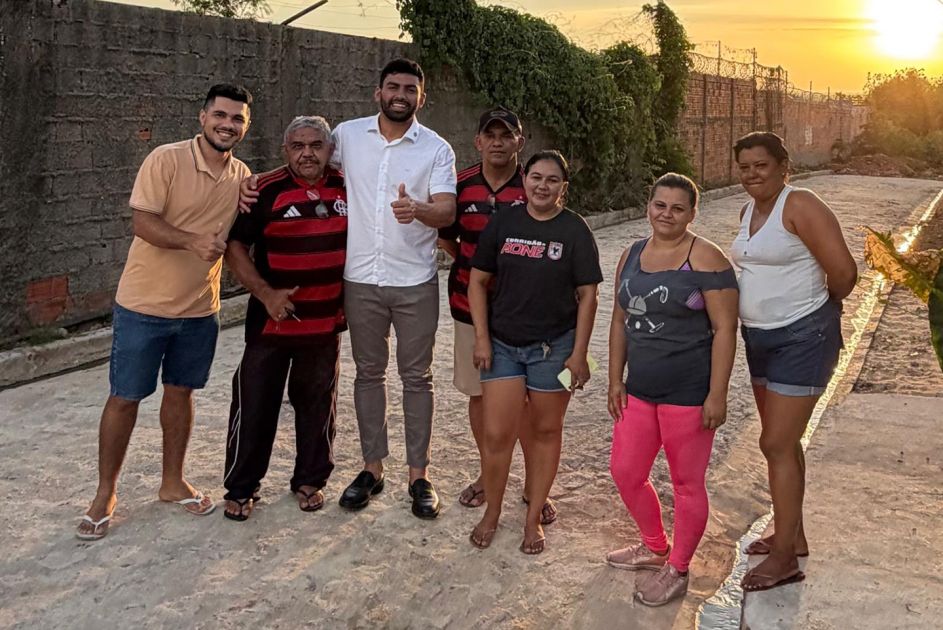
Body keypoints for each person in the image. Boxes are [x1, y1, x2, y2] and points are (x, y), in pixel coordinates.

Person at [76, 84, 252, 540]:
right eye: (220, 115)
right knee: (125, 397)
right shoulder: (166, 159)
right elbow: (143, 222)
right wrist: (192, 241)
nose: (227, 124)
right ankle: (104, 494)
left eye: (237, 118)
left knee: (181, 393)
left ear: (245, 126)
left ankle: (172, 482)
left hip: (200, 309)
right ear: (202, 117)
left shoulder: (241, 176)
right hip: (143, 305)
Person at [730, 132, 857, 592]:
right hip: (759, 339)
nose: (752, 175)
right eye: (744, 167)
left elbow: (844, 273)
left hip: (803, 338)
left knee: (776, 442)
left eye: (761, 165)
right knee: (783, 444)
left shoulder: (800, 204)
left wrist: (819, 312)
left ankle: (784, 558)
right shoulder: (747, 212)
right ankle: (792, 534)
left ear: (784, 166)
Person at [605, 173, 739, 606]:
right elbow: (619, 321)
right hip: (640, 390)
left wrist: (717, 394)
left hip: (688, 393)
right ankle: (654, 545)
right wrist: (615, 379)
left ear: (692, 213)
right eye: (660, 205)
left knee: (686, 483)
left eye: (677, 208)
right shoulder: (631, 254)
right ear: (649, 206)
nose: (667, 214)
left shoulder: (707, 258)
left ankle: (678, 568)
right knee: (626, 471)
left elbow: (725, 329)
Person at [467, 150, 602, 554]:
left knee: (546, 431)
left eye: (552, 179)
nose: (543, 186)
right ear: (524, 180)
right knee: (497, 434)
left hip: (554, 348)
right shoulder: (504, 223)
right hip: (503, 345)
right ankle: (492, 512)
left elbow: (588, 295)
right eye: (536, 177)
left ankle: (532, 517)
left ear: (564, 186)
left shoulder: (575, 230)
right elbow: (477, 282)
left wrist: (579, 354)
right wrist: (481, 338)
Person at [221, 116, 347, 521]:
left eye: (316, 145)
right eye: (298, 146)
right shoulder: (264, 190)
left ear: (330, 149)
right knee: (255, 404)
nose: (307, 153)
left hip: (324, 322)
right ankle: (242, 487)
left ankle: (310, 480)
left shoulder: (348, 186)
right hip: (271, 322)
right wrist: (266, 294)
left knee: (317, 404)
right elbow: (235, 247)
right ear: (285, 151)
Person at [437, 107, 558, 524]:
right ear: (478, 141)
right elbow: (448, 240)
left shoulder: (534, 185)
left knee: (523, 400)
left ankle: (533, 484)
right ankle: (488, 476)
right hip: (468, 310)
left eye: (506, 135)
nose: (498, 142)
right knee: (479, 395)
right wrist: (478, 270)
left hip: (522, 314)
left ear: (519, 142)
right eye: (490, 135)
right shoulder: (461, 186)